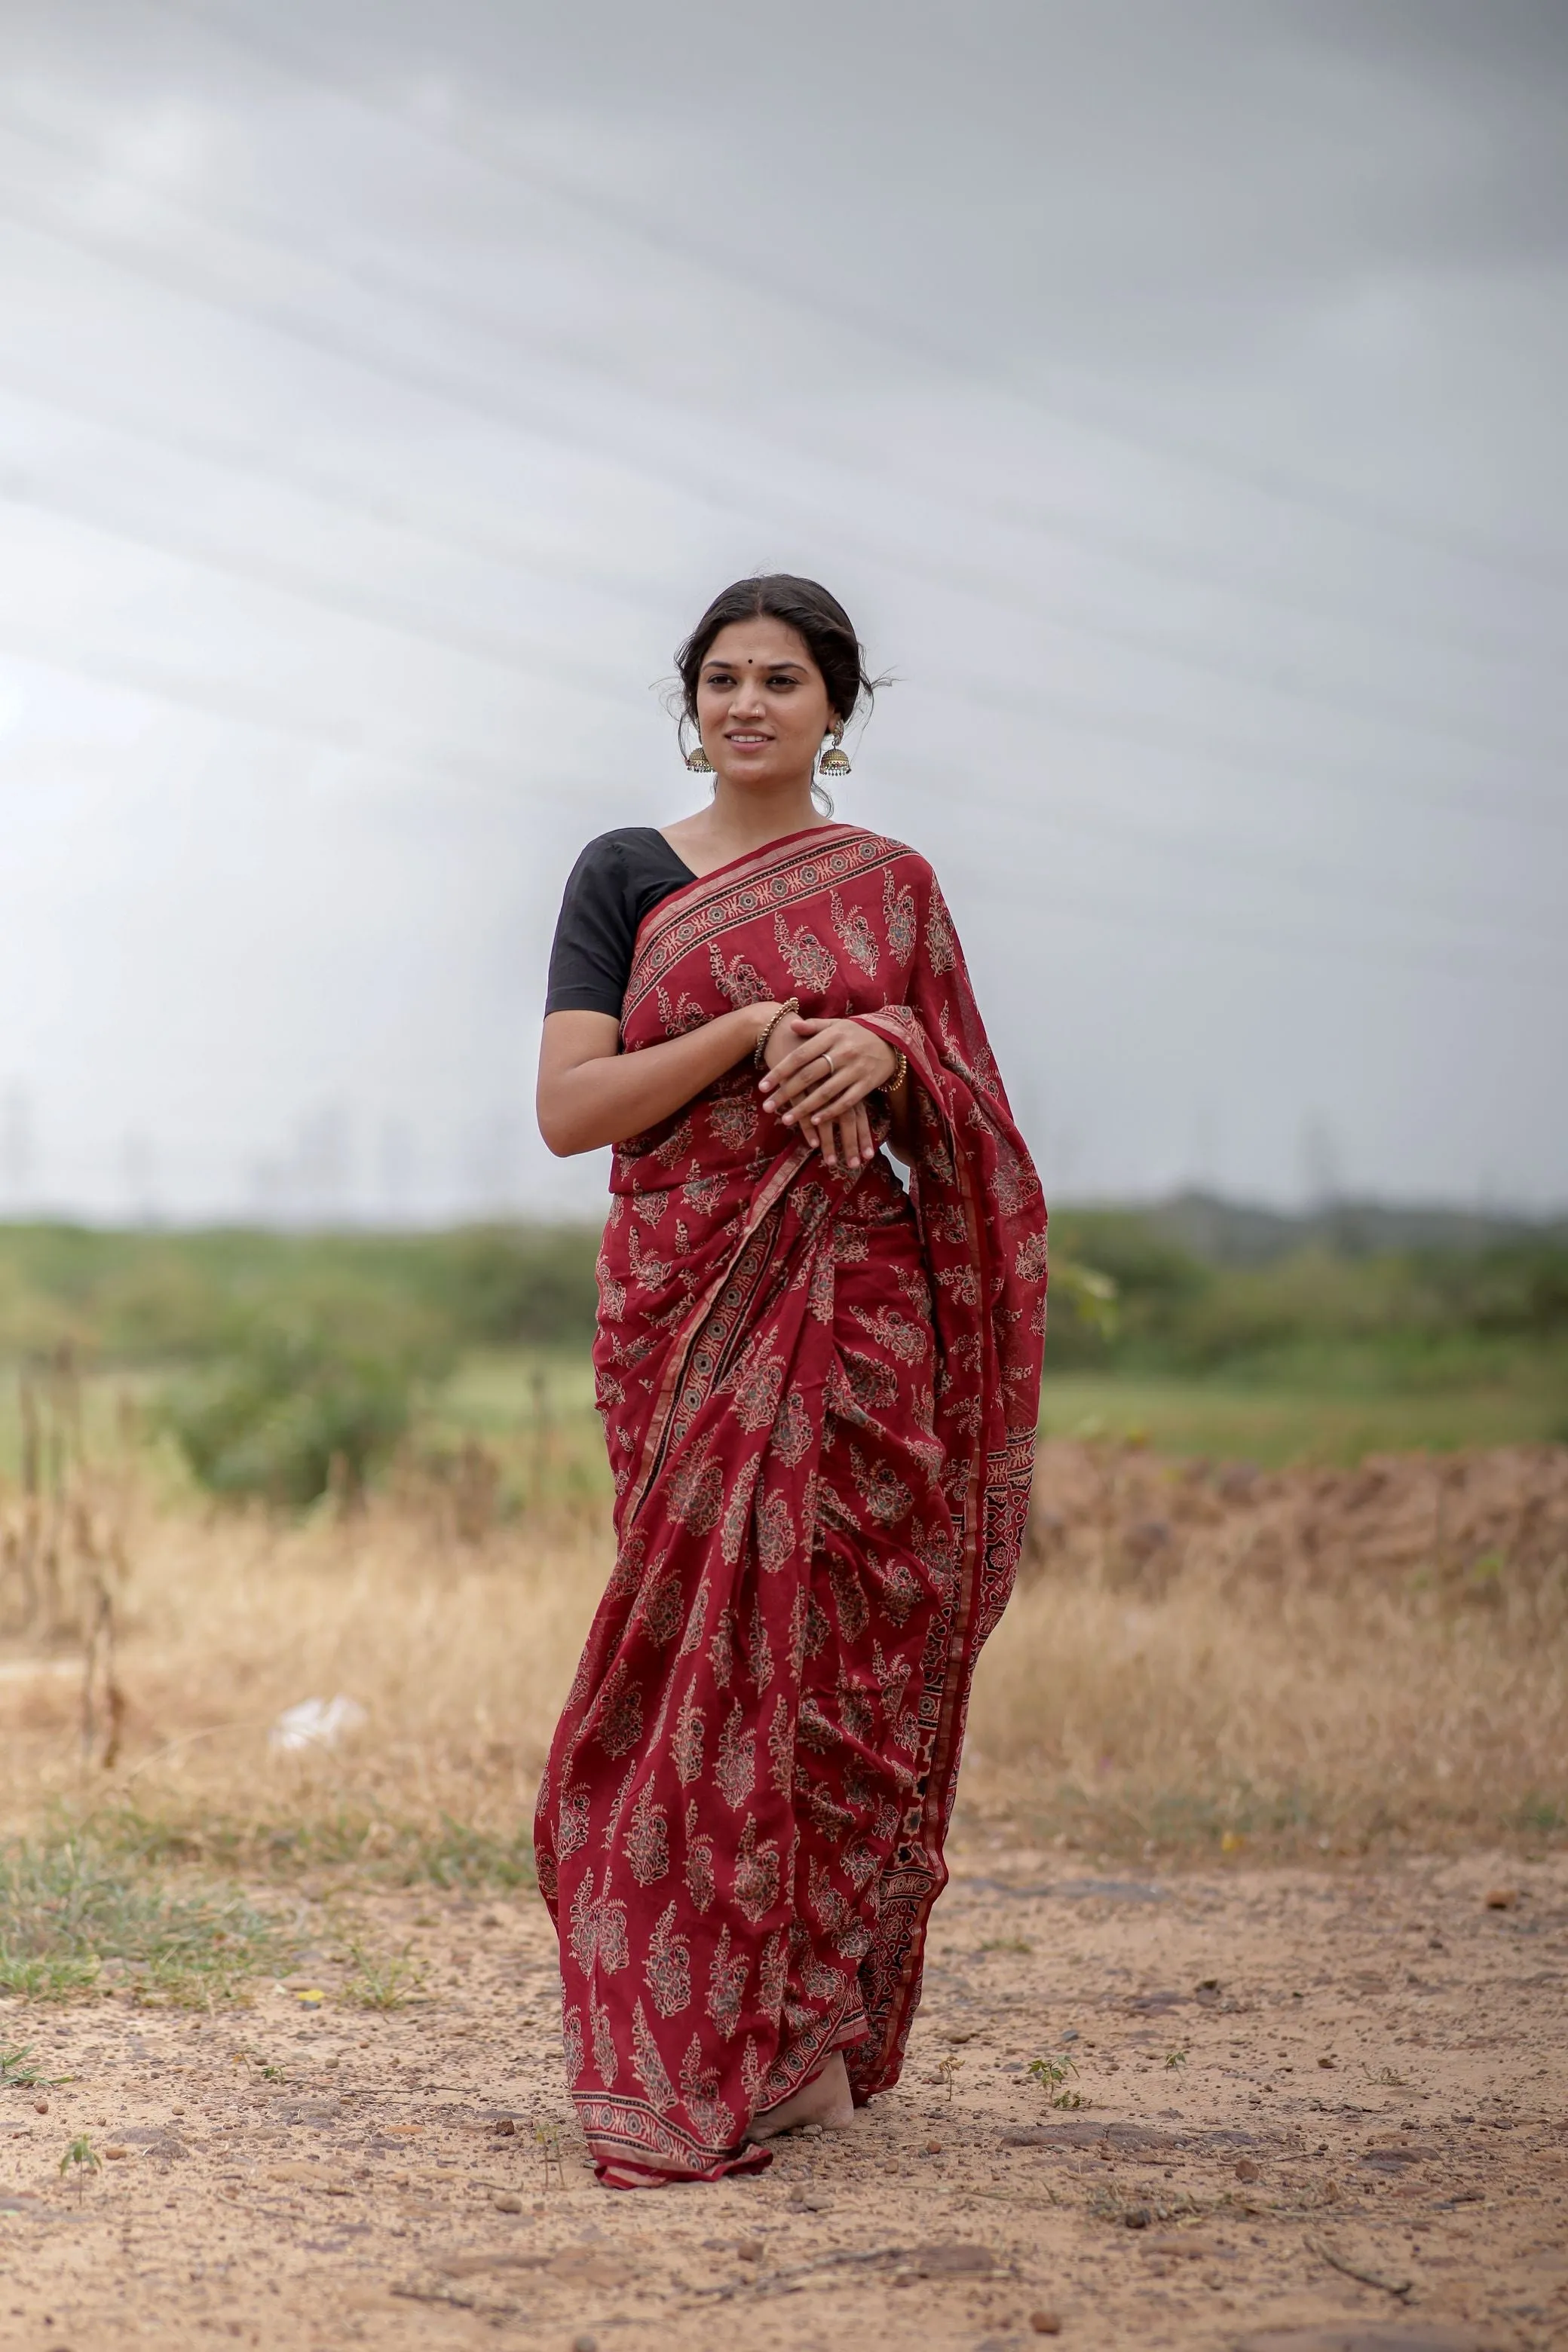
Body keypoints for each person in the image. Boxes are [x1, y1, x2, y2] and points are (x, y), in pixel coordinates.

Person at [534, 575, 1047, 2188]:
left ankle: (807, 2044)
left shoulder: (890, 891)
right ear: (687, 702)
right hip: (688, 1311)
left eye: (781, 679)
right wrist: (754, 1026)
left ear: (837, 708)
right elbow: (571, 1108)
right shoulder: (622, 872)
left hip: (863, 1308)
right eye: (719, 678)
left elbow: (969, 1108)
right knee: (695, 1675)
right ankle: (691, 2034)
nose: (745, 702)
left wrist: (886, 1052)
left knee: (847, 1672)